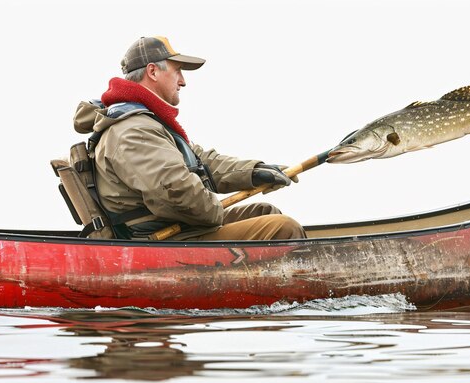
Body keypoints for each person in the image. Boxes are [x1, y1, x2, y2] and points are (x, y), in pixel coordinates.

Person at [72, 36, 305, 241]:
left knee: (265, 213)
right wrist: (215, 207)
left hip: (179, 228)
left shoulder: (144, 122)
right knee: (283, 229)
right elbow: (177, 193)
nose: (183, 81)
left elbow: (199, 160)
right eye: (177, 71)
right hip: (164, 241)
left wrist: (254, 172)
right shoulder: (133, 130)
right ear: (152, 71)